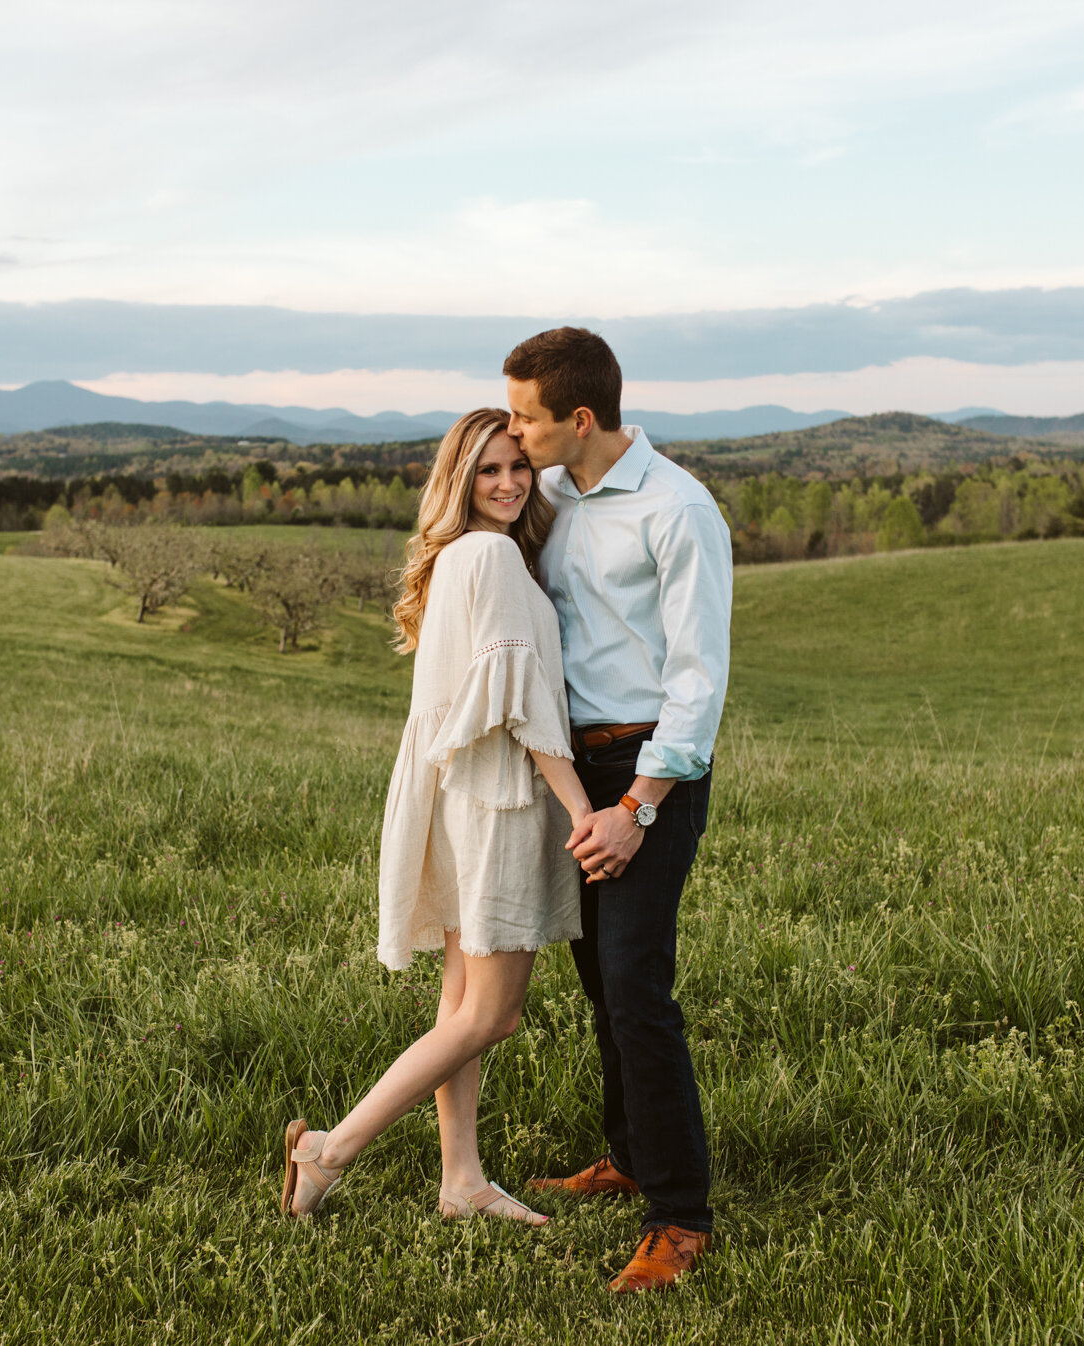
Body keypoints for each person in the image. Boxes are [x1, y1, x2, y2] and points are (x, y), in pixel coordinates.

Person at [283, 408, 592, 1227]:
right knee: (494, 1013)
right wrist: (587, 814)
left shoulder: (460, 557)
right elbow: (523, 711)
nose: (508, 483)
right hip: (497, 806)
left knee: (459, 1009)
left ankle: (462, 1182)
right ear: (459, 478)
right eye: (488, 470)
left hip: (457, 803)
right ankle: (330, 1150)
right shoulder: (491, 556)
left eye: (518, 468)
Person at [505, 327, 733, 1294]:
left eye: (525, 417)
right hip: (574, 776)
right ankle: (630, 1154)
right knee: (602, 983)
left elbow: (698, 680)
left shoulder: (678, 510)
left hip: (652, 777)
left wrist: (639, 804)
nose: (515, 436)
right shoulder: (550, 494)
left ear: (580, 419)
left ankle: (680, 1217)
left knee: (639, 990)